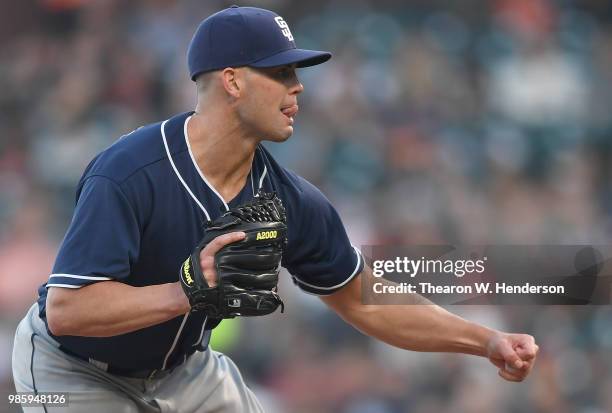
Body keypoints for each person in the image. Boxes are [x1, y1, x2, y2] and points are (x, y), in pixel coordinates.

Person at [11, 5, 538, 413]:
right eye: (282, 72)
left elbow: (363, 298)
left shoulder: (288, 199)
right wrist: (185, 291)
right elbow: (68, 312)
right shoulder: (130, 173)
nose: (298, 85)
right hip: (70, 370)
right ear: (233, 80)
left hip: (181, 369)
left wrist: (485, 340)